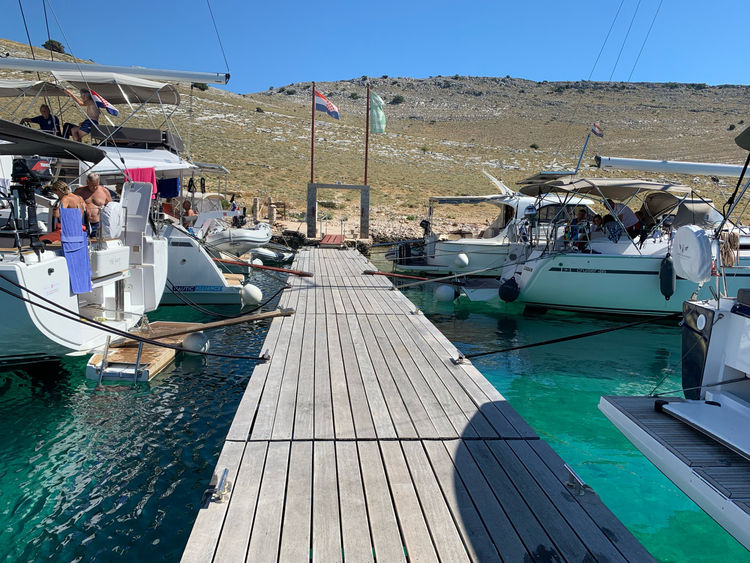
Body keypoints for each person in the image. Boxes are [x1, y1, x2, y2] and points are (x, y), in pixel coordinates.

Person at [74, 173, 112, 237]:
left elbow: (111, 207)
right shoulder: (79, 191)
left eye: (96, 185)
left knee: (97, 244)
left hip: (98, 223)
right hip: (83, 223)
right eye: (91, 185)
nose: (94, 187)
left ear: (98, 182)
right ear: (87, 182)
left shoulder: (104, 191)